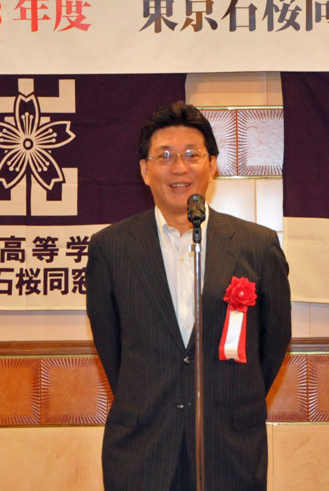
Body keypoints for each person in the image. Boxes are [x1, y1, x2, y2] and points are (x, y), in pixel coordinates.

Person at [86, 101, 292, 491]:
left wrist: (227, 397)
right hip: (142, 450)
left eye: (192, 155)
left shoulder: (257, 246)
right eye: (164, 156)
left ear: (212, 165)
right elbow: (111, 349)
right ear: (144, 170)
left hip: (229, 448)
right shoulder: (110, 248)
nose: (179, 168)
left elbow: (273, 343)